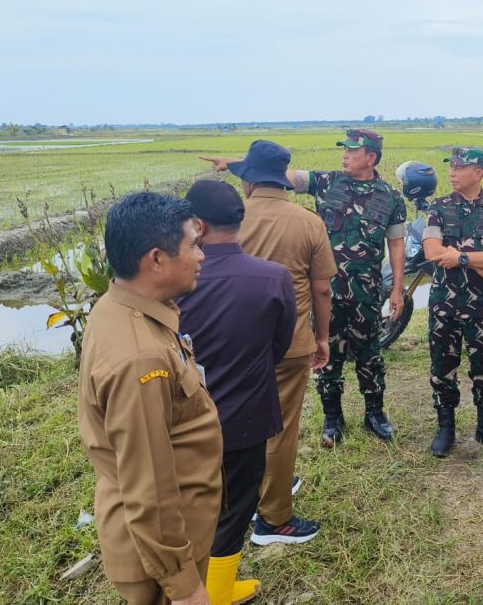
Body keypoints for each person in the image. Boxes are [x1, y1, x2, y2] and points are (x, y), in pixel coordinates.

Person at [78, 192, 220, 605]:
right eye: (193, 245)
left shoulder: (119, 306)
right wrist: (186, 587)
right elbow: (150, 488)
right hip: (162, 556)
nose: (201, 257)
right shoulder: (141, 359)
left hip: (166, 537)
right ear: (156, 259)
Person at [202, 140, 336, 546]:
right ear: (283, 180)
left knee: (226, 417)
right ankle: (274, 518)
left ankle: (226, 500)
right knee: (279, 428)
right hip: (289, 340)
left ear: (247, 183)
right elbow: (322, 290)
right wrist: (322, 337)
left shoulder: (224, 221)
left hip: (225, 339)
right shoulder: (308, 222)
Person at [178, 180, 297, 605]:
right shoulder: (273, 278)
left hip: (186, 421)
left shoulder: (175, 281)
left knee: (191, 507)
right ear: (239, 220)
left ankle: (199, 588)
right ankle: (221, 591)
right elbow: (279, 347)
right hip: (247, 415)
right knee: (237, 506)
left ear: (197, 225)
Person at [287, 129, 407, 446]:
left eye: (352, 151)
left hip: (366, 291)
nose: (345, 155)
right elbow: (283, 176)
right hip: (326, 290)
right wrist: (239, 164)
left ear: (371, 157)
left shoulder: (390, 197)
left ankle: (375, 414)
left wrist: (397, 288)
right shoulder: (327, 182)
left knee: (370, 352)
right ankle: (332, 418)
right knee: (327, 353)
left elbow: (396, 244)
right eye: (345, 150)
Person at [422, 146, 483, 458]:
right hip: (443, 305)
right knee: (442, 366)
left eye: (461, 167)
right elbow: (433, 252)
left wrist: (459, 257)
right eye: (452, 165)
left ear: (478, 173)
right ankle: (445, 427)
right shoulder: (438, 209)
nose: (452, 171)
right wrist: (477, 263)